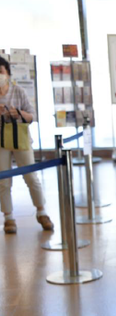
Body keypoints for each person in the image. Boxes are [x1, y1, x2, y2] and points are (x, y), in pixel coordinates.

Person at [0, 56, 53, 234]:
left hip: (21, 140)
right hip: (0, 143)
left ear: (7, 73)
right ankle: (8, 217)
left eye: (1, 72)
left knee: (31, 177)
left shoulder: (19, 91)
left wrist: (19, 113)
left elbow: (32, 115)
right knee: (3, 181)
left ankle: (42, 211)